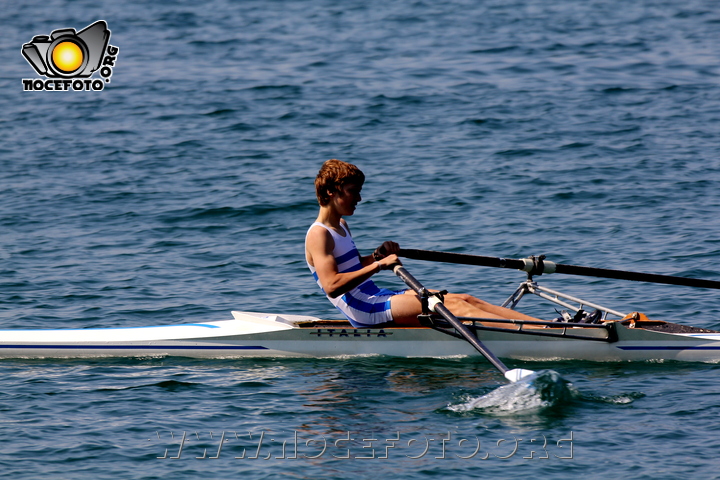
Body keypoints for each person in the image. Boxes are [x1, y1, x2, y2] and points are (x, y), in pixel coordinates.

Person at [305, 159, 543, 328]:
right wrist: (379, 266)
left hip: (375, 295)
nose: (359, 198)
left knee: (464, 299)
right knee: (453, 309)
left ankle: (547, 327)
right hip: (362, 307)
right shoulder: (319, 235)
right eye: (352, 191)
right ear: (329, 192)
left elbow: (354, 267)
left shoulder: (342, 225)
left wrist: (376, 257)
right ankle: (541, 337)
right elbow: (332, 286)